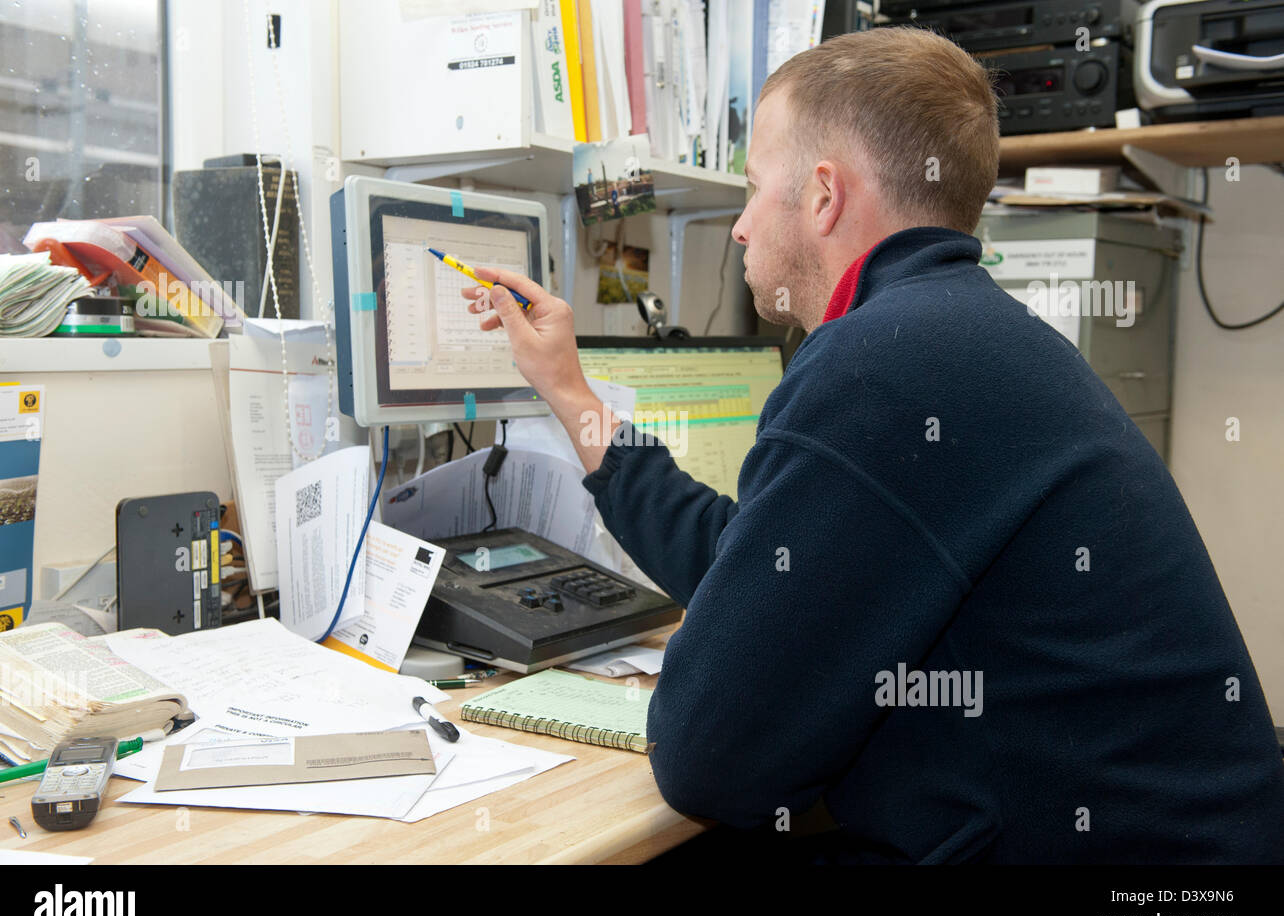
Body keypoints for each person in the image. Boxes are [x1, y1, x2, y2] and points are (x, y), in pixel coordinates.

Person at [463, 27, 1284, 863]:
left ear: (822, 195)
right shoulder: (962, 332)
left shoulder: (881, 364)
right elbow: (759, 567)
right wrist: (571, 393)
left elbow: (709, 760)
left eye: (752, 189)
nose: (741, 228)